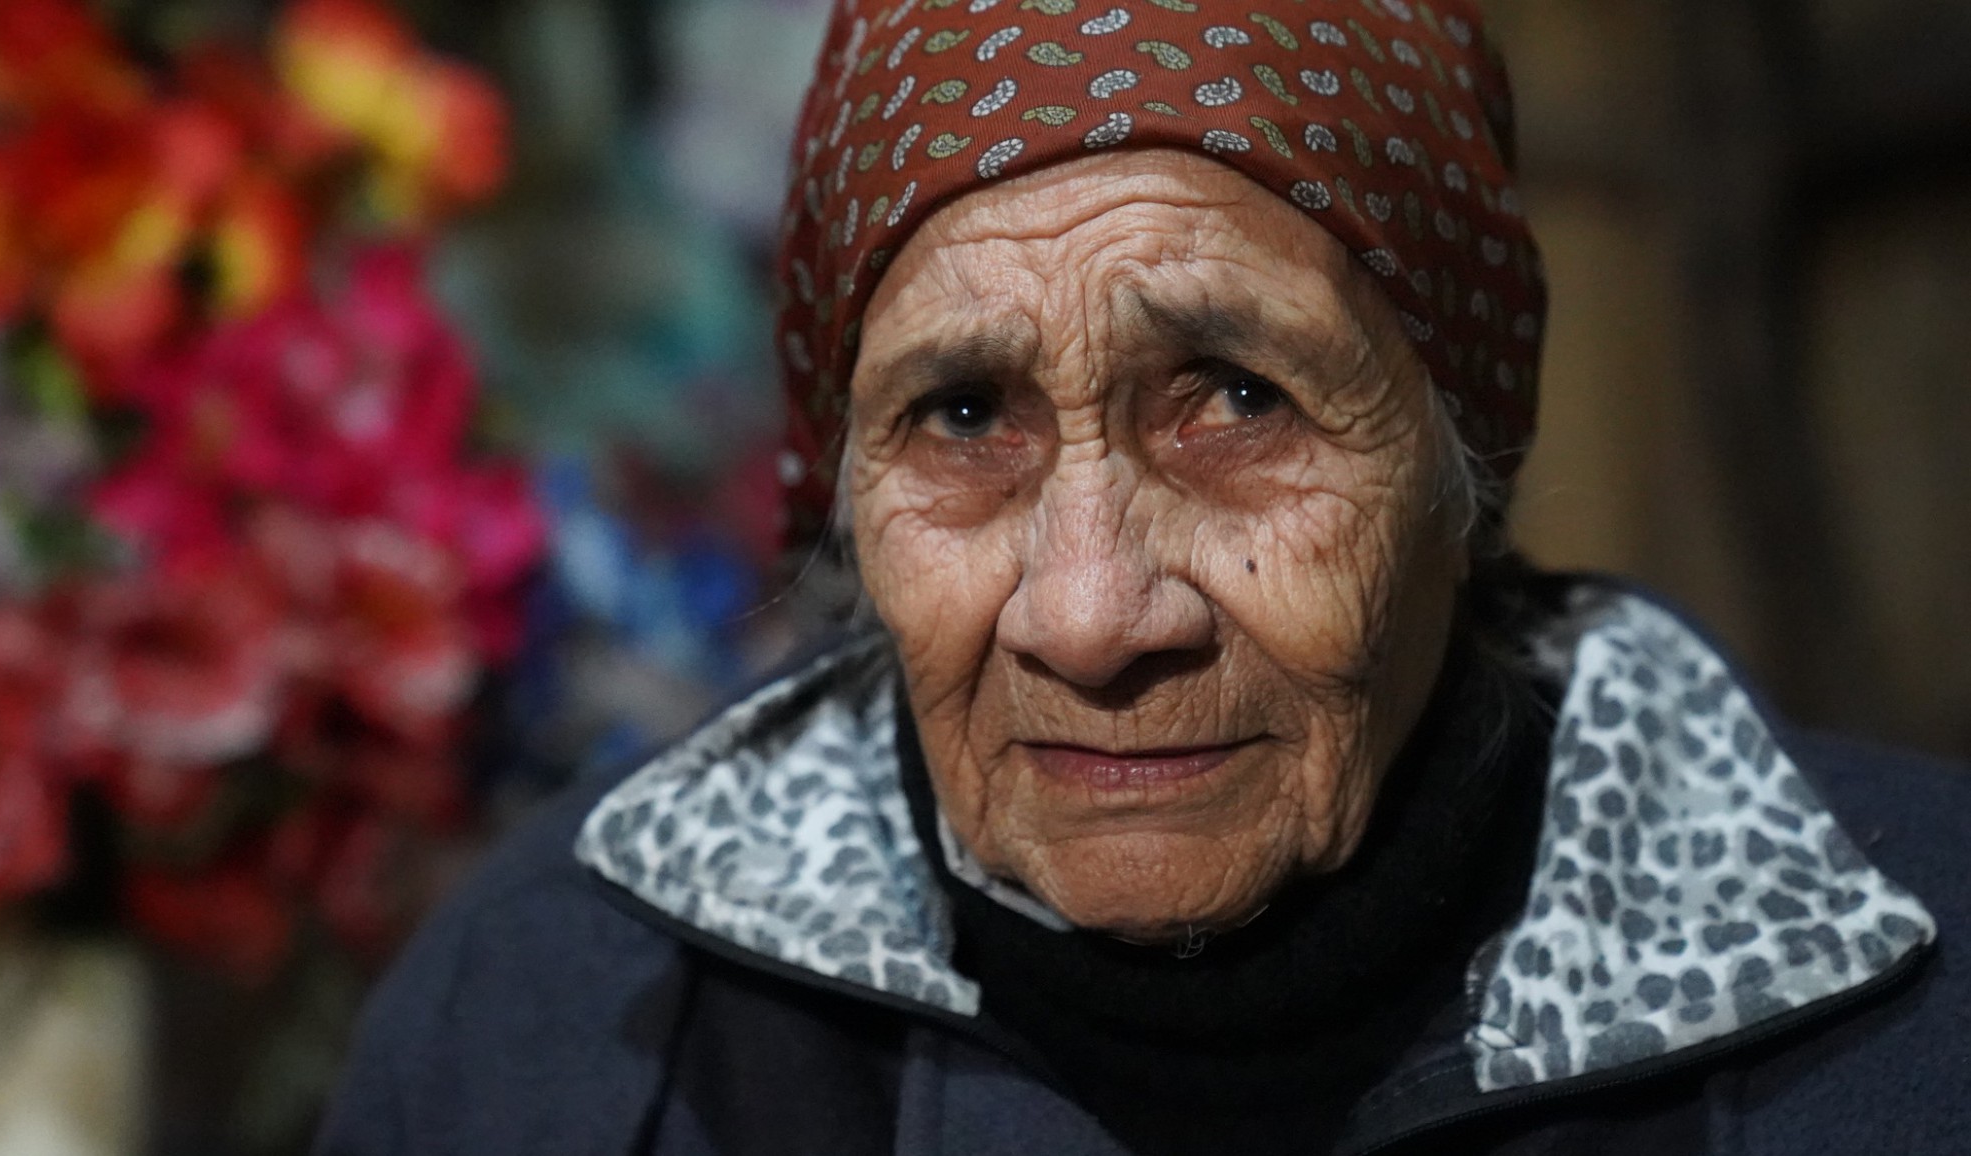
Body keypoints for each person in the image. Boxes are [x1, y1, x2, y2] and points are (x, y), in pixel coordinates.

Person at [316, 1, 1970, 1152]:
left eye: (1239, 399)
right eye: (960, 416)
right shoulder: (550, 1023)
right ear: (841, 478)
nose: (1092, 617)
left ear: (1458, 453)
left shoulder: (1919, 1018)